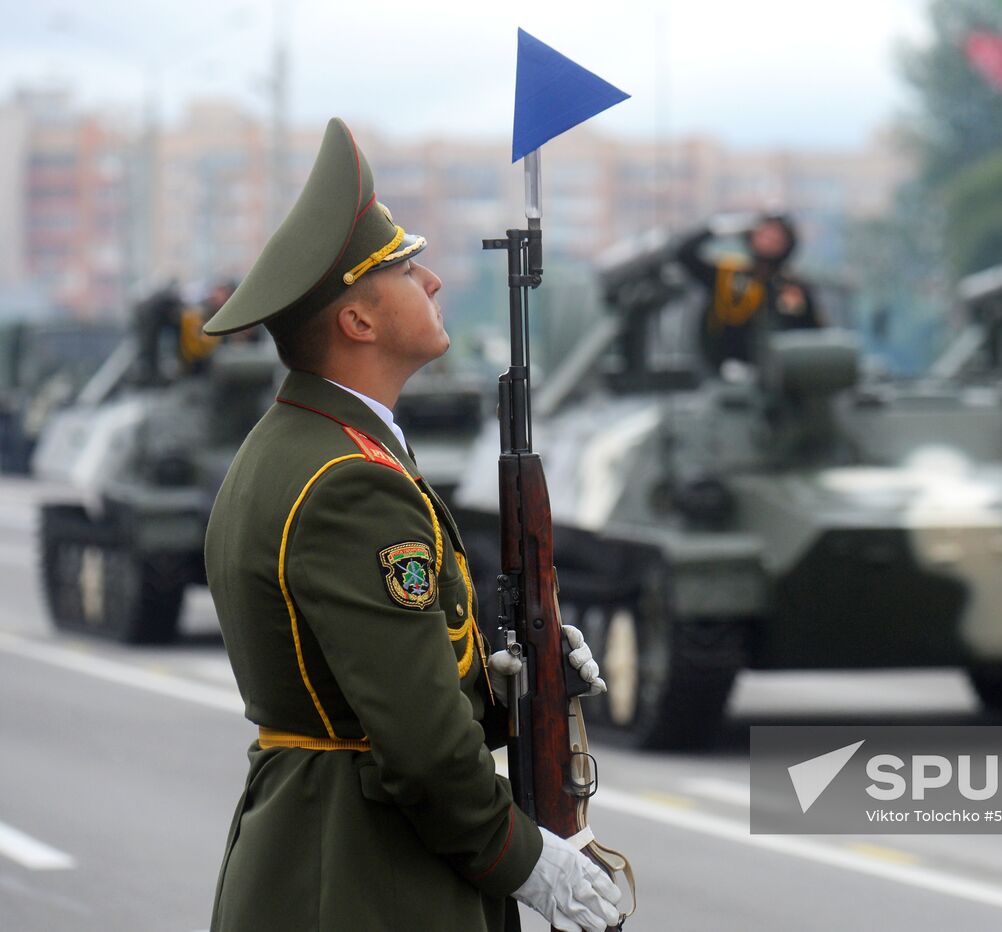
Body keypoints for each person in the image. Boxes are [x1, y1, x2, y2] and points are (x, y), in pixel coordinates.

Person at [202, 118, 622, 932]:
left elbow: (369, 681)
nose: (430, 281)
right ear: (357, 322)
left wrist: (510, 692)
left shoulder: (309, 445)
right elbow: (421, 748)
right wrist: (526, 862)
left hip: (323, 854)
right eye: (402, 267)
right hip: (361, 877)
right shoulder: (351, 482)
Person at [676, 212, 823, 370]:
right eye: (765, 233)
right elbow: (685, 254)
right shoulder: (728, 275)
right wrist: (720, 229)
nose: (770, 239)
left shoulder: (793, 287)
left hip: (781, 373)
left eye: (777, 235)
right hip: (723, 370)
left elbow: (812, 332)